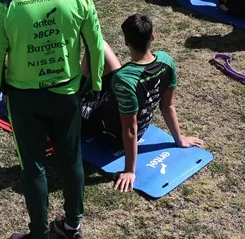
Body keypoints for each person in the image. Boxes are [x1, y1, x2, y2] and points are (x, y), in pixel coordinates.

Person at [0, 0, 105, 239]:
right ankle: (73, 225)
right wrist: (96, 83)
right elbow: (95, 42)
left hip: (24, 100)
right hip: (66, 93)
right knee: (71, 159)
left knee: (32, 166)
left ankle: (39, 234)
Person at [79, 14, 203, 192]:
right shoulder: (166, 60)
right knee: (99, 44)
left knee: (67, 99)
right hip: (127, 115)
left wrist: (130, 170)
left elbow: (130, 129)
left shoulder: (124, 79)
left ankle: (78, 88)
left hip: (112, 134)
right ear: (153, 37)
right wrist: (179, 140)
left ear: (126, 42)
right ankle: (81, 83)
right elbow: (168, 106)